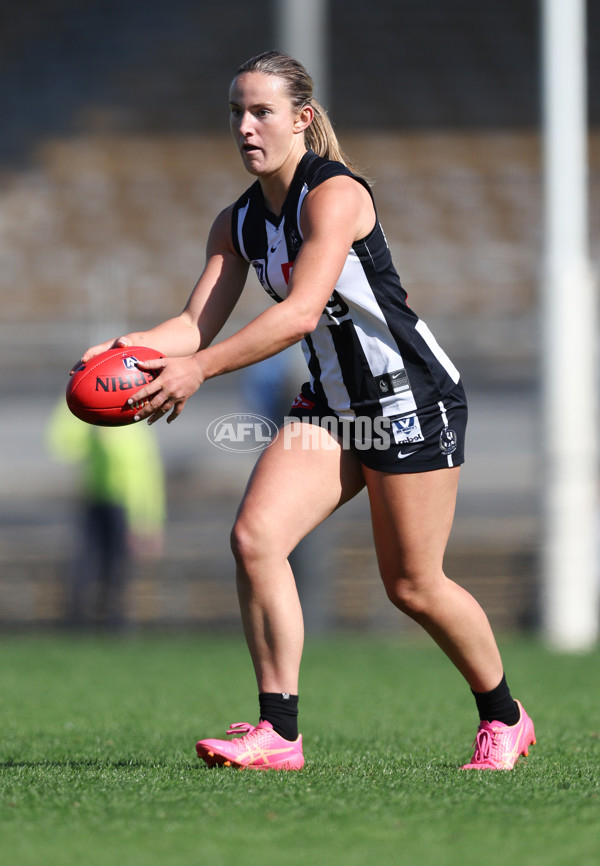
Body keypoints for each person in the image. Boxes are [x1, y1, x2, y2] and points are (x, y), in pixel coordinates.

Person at [76, 50, 535, 770]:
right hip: (330, 405)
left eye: (262, 111)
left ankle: (504, 716)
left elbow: (297, 315)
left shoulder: (336, 195)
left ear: (302, 119)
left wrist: (198, 370)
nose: (246, 126)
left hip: (409, 398)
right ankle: (278, 734)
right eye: (236, 112)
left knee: (413, 585)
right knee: (255, 539)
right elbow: (193, 325)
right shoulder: (238, 223)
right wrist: (128, 348)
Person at [47, 400, 165, 629]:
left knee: (118, 569)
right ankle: (79, 623)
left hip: (125, 509)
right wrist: (73, 402)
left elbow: (148, 479)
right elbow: (63, 445)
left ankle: (114, 624)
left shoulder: (137, 430)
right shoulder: (93, 426)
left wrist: (149, 523)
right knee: (85, 566)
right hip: (96, 501)